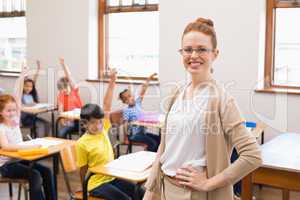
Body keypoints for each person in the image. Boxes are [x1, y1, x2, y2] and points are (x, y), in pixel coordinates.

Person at [143, 17, 262, 200]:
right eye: (188, 50)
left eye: (202, 49)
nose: (193, 55)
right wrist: (151, 192)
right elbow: (165, 146)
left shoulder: (221, 100)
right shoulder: (177, 92)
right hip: (164, 188)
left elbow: (252, 155)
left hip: (194, 194)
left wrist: (208, 183)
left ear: (215, 54)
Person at [76, 69, 144, 200]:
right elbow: (83, 170)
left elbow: (106, 105)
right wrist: (84, 188)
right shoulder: (82, 143)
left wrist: (112, 81)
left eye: (100, 122)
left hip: (111, 177)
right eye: (93, 123)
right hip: (95, 184)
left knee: (140, 193)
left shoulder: (103, 130)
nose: (98, 126)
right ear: (84, 124)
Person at [0, 64, 56, 200]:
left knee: (47, 171)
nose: (12, 113)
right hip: (6, 166)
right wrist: (27, 146)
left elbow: (17, 96)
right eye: (8, 111)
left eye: (14, 110)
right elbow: (6, 147)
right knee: (35, 175)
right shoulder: (1, 127)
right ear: (0, 112)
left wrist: (22, 76)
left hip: (19, 159)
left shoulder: (15, 119)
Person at [119, 73, 160, 152]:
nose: (131, 98)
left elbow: (143, 89)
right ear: (125, 102)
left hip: (142, 133)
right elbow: (125, 125)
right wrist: (125, 138)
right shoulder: (127, 111)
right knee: (153, 143)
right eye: (127, 98)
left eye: (131, 95)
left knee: (159, 139)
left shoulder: (138, 103)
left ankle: (155, 159)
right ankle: (148, 159)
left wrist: (149, 78)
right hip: (134, 135)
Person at [21, 60, 51, 137]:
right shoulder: (21, 94)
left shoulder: (31, 95)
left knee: (47, 124)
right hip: (26, 119)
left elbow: (34, 81)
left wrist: (38, 69)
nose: (28, 88)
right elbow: (23, 108)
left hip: (33, 117)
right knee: (41, 126)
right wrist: (24, 71)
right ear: (23, 86)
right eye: (26, 86)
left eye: (30, 87)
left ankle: (44, 140)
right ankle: (38, 140)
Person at [57, 58, 83, 138]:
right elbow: (60, 110)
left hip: (80, 120)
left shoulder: (74, 91)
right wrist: (62, 119)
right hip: (69, 121)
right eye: (62, 90)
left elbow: (69, 76)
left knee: (84, 132)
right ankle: (63, 150)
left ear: (69, 86)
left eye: (66, 88)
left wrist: (63, 64)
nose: (64, 91)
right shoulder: (61, 95)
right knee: (61, 133)